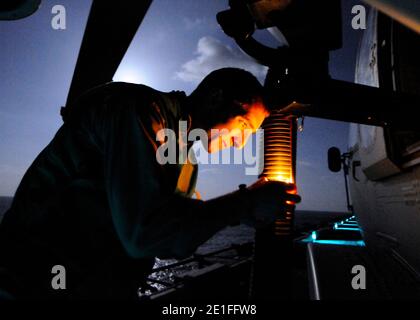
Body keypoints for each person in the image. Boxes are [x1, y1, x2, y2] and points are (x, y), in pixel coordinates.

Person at [0, 68, 299, 299]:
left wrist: (245, 212)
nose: (239, 143)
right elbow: (144, 234)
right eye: (244, 126)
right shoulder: (138, 110)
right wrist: (244, 203)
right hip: (30, 283)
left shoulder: (185, 159)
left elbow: (172, 236)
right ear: (215, 97)